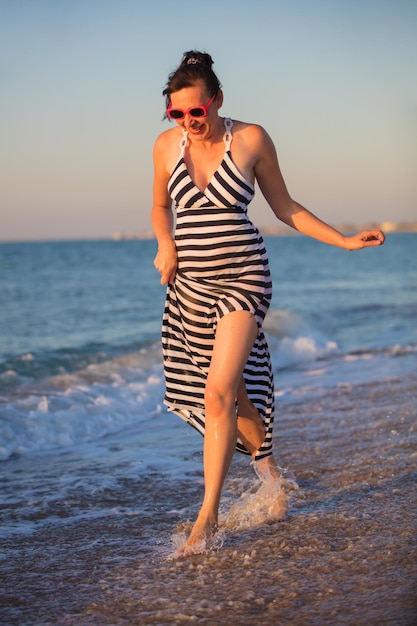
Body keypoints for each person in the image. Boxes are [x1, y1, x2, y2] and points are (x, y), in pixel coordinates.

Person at [151, 50, 385, 555]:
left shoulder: (251, 139)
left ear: (217, 100)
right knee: (232, 399)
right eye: (178, 113)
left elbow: (285, 207)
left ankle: (205, 520)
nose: (189, 122)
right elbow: (157, 205)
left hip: (243, 280)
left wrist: (343, 241)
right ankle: (270, 475)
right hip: (189, 287)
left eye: (197, 111)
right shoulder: (166, 146)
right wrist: (165, 243)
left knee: (217, 393)